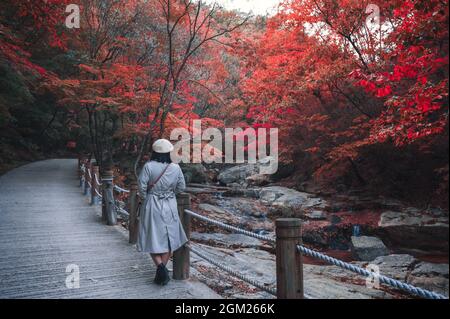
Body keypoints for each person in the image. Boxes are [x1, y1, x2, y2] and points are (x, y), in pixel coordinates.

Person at [137, 139, 188, 285]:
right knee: (170, 239)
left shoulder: (148, 166)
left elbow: (141, 186)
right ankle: (162, 270)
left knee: (151, 237)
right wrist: (170, 193)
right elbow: (181, 187)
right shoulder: (175, 167)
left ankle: (160, 269)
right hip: (170, 204)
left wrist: (146, 197)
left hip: (152, 204)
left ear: (154, 152)